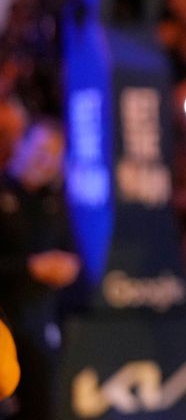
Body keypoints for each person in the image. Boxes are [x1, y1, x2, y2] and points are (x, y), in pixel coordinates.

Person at [0, 120, 79, 420]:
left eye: (55, 155)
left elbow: (71, 255)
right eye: (42, 149)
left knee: (44, 407)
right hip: (5, 319)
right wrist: (28, 267)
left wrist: (66, 268)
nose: (46, 160)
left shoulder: (53, 204)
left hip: (40, 324)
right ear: (22, 144)